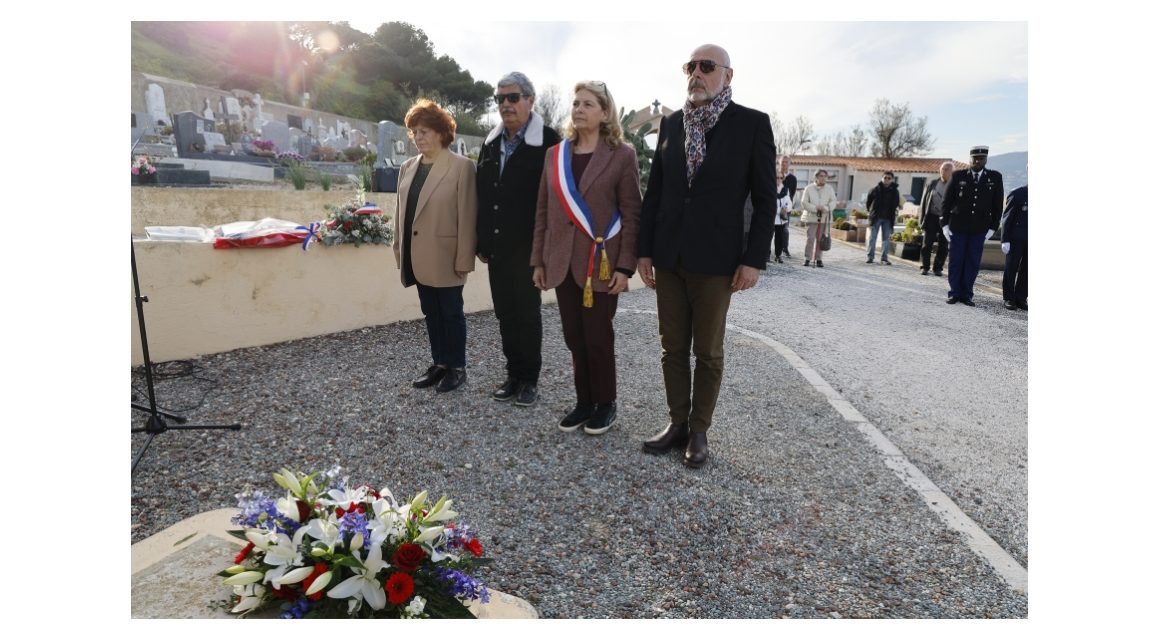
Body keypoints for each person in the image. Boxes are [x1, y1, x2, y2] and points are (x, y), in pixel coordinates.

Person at [637, 44, 776, 468]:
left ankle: (699, 430)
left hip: (717, 260)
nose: (696, 73)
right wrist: (644, 250)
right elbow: (657, 191)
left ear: (727, 76)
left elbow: (765, 198)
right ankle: (677, 422)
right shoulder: (672, 124)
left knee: (708, 351)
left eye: (706, 66)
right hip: (670, 255)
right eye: (691, 66)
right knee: (671, 347)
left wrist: (753, 258)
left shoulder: (751, 124)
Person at [531, 81, 641, 435]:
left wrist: (625, 267)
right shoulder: (555, 155)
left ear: (605, 112)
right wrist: (539, 261)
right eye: (576, 103)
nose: (579, 109)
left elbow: (631, 212)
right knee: (573, 337)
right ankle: (584, 402)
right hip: (560, 262)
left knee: (597, 336)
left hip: (601, 262)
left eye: (588, 104)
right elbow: (543, 212)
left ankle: (605, 403)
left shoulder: (622, 154)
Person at [476, 72, 563, 407]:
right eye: (500, 99)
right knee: (505, 314)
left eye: (513, 98)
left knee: (527, 314)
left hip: (528, 247)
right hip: (497, 247)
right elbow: (482, 193)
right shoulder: (491, 141)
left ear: (530, 100)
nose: (506, 105)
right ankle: (512, 375)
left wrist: (545, 251)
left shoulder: (551, 142)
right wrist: (481, 241)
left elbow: (556, 200)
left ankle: (529, 380)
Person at [393, 99, 478, 392]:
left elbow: (468, 216)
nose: (419, 137)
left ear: (442, 133)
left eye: (425, 130)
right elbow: (400, 212)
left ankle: (456, 366)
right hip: (416, 255)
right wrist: (398, 248)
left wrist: (465, 258)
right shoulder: (407, 168)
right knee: (430, 312)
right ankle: (440, 363)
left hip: (447, 256)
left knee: (451, 313)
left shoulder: (461, 167)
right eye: (415, 131)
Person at [942, 146, 1004, 306]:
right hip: (957, 227)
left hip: (979, 229)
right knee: (956, 261)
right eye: (975, 158)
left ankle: (967, 294)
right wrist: (944, 225)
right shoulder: (958, 176)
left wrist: (993, 228)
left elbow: (997, 206)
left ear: (986, 160)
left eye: (981, 159)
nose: (978, 161)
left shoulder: (994, 177)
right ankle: (954, 293)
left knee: (972, 262)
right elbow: (946, 202)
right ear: (970, 159)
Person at [919, 161, 953, 276]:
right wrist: (921, 220)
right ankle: (925, 267)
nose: (944, 171)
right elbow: (923, 202)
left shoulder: (954, 185)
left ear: (952, 171)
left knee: (943, 245)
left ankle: (938, 268)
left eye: (947, 169)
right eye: (943, 169)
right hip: (932, 217)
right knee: (926, 244)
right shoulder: (932, 183)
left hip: (947, 219)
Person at [800, 168, 835, 267]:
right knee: (810, 238)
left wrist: (826, 207)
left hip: (824, 217)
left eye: (825, 176)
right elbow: (804, 202)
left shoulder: (829, 189)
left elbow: (833, 201)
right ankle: (807, 258)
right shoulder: (809, 188)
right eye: (821, 176)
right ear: (816, 177)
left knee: (821, 239)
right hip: (811, 217)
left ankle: (819, 259)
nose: (823, 178)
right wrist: (815, 208)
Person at [1000, 184, 1028, 310]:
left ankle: (1021, 298)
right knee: (1011, 267)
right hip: (1016, 238)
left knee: (1027, 270)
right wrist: (1005, 240)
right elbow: (1007, 217)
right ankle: (1009, 298)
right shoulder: (1017, 193)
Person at [865, 171, 901, 265]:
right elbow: (868, 202)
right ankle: (870, 257)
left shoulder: (895, 191)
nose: (886, 180)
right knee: (872, 238)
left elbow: (897, 203)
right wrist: (870, 212)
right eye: (885, 178)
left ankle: (884, 258)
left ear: (892, 179)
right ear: (882, 178)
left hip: (888, 218)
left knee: (886, 239)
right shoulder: (875, 189)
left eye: (889, 178)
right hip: (876, 217)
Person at [769, 171, 793, 263]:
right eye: (776, 177)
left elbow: (789, 203)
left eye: (780, 177)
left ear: (783, 179)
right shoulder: (770, 188)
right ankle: (766, 255)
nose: (778, 179)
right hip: (770, 218)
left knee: (779, 238)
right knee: (768, 237)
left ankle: (778, 255)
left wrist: (786, 208)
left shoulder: (786, 190)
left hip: (781, 219)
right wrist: (779, 209)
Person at [778, 156, 797, 259]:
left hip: (786, 208)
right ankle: (768, 251)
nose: (784, 164)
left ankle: (785, 249)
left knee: (785, 229)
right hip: (773, 207)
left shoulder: (793, 178)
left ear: (789, 163)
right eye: (782, 162)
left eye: (786, 162)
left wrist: (787, 207)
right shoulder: (775, 175)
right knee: (771, 229)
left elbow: (792, 194)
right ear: (779, 163)